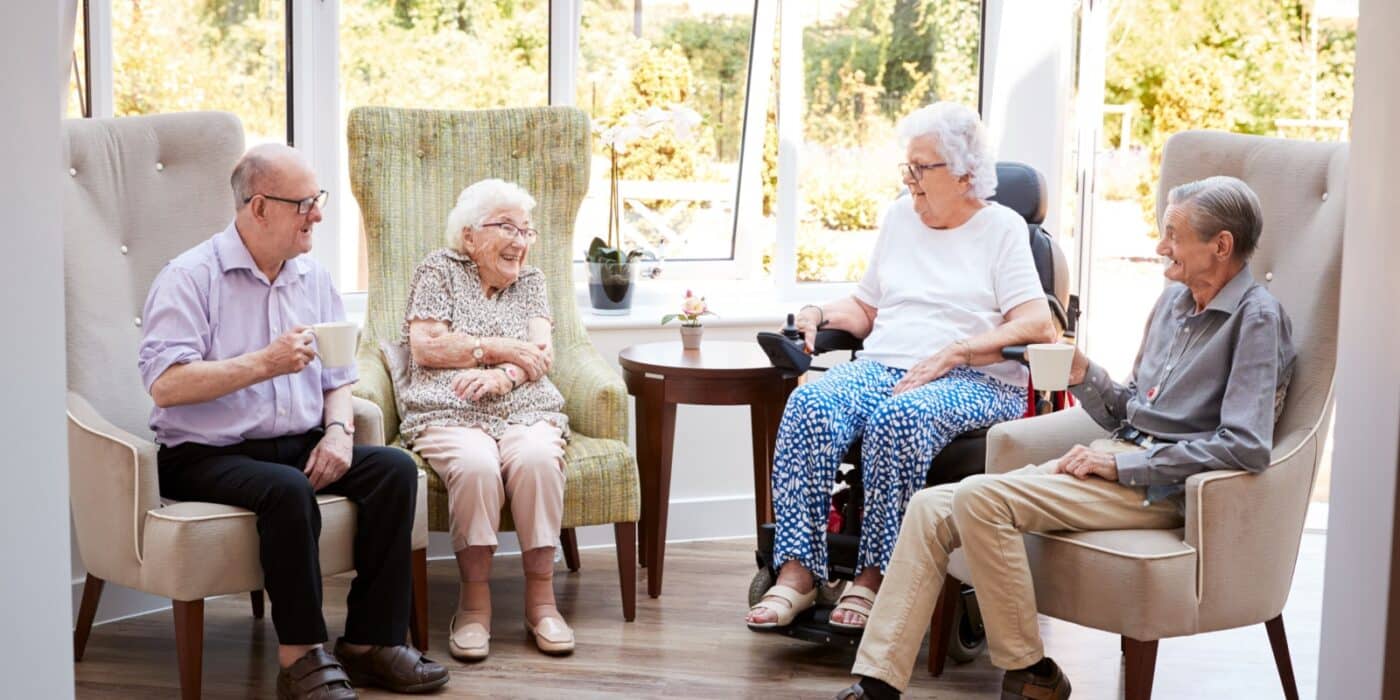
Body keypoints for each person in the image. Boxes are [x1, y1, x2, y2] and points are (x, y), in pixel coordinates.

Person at [836, 175, 1296, 700]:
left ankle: (1034, 674)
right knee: (930, 507)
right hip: (1117, 461)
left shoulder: (1257, 320)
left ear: (1221, 246)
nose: (1160, 246)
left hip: (1161, 487)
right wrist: (1084, 373)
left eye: (1172, 234)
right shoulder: (1173, 304)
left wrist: (1122, 468)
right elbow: (1136, 409)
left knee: (977, 498)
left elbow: (1244, 445)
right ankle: (877, 684)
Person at [140, 144, 448, 700]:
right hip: (203, 455)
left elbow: (340, 375)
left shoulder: (311, 278)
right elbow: (166, 383)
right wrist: (265, 362)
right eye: (305, 203)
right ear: (259, 207)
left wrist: (337, 432)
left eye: (318, 199)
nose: (319, 215)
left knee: (394, 470)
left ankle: (371, 643)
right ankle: (301, 658)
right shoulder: (189, 277)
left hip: (298, 440)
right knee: (285, 490)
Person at [746, 102, 1057, 633]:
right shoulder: (899, 217)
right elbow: (866, 309)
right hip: (889, 366)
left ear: (964, 173)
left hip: (976, 379)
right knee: (810, 403)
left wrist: (958, 350)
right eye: (907, 166)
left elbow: (1038, 325)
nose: (910, 179)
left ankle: (876, 576)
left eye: (922, 167)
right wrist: (818, 314)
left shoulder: (1003, 228)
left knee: (900, 418)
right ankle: (798, 573)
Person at [396, 178, 573, 660]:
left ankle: (542, 601)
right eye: (507, 227)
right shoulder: (438, 269)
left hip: (526, 406)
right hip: (448, 409)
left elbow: (542, 352)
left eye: (527, 230)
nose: (520, 240)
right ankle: (474, 604)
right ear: (470, 235)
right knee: (475, 465)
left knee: (538, 457)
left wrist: (505, 377)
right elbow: (427, 346)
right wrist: (494, 350)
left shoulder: (532, 282)